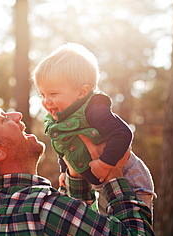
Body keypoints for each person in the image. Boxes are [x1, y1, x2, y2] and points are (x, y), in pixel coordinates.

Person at [0, 93, 156, 236]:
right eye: (2, 118)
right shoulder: (43, 209)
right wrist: (114, 176)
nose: (16, 116)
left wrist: (76, 177)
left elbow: (69, 235)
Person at [32, 42, 156, 211]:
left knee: (125, 231)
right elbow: (65, 146)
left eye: (53, 94)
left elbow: (123, 133)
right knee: (105, 229)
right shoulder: (59, 120)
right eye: (43, 94)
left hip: (129, 179)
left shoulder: (94, 110)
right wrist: (63, 169)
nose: (46, 101)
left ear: (82, 92)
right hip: (101, 184)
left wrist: (105, 163)